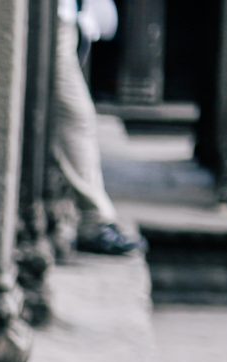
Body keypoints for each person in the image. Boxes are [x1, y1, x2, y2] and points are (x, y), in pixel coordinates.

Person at [54, 0, 146, 256]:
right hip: (54, 19)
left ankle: (84, 216)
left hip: (65, 17)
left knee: (71, 118)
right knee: (75, 117)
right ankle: (93, 219)